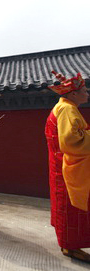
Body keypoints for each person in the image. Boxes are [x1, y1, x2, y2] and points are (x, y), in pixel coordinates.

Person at [45, 70, 90, 263]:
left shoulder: (62, 107)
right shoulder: (67, 109)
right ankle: (72, 246)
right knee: (73, 207)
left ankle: (68, 244)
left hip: (62, 166)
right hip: (70, 167)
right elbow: (71, 141)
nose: (87, 94)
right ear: (73, 94)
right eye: (84, 90)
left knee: (66, 205)